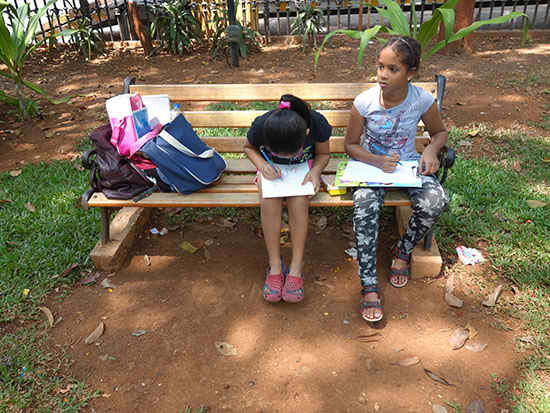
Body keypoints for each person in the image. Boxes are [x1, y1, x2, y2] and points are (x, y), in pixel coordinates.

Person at [344, 36, 450, 322]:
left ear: (410, 72)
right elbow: (350, 145)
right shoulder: (365, 102)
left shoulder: (421, 99)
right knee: (365, 205)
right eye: (380, 66)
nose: (383, 74)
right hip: (370, 167)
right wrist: (377, 160)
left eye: (393, 69)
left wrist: (430, 149)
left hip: (407, 166)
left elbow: (439, 133)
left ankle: (402, 251)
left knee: (436, 199)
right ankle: (368, 284)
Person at [245, 94, 332, 303]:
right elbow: (249, 148)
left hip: (303, 172)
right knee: (268, 200)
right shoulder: (262, 125)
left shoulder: (316, 123)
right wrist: (262, 165)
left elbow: (323, 155)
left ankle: (296, 267)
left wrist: (316, 171)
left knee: (299, 200)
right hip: (270, 172)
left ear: (306, 134)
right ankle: (275, 265)